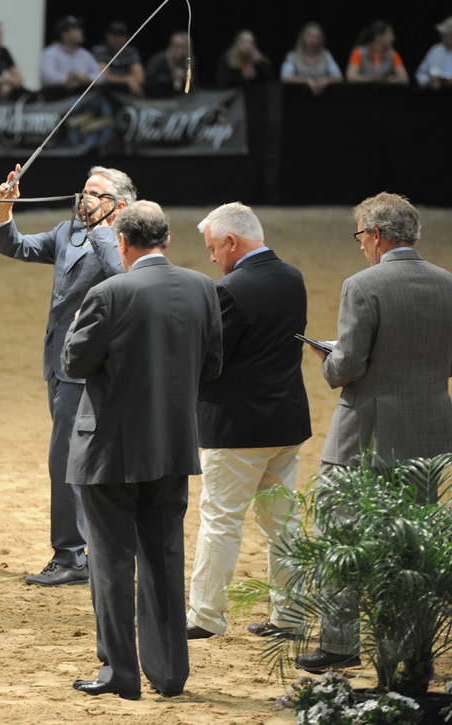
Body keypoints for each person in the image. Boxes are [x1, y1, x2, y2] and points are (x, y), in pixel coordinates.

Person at [64, 201, 222, 699]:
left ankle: (120, 674)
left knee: (112, 564)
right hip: (172, 446)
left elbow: (75, 361)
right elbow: (212, 365)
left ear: (123, 244)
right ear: (167, 240)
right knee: (165, 559)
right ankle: (170, 672)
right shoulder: (203, 288)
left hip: (109, 451)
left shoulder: (108, 293)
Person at [294, 192, 452, 673]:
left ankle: (340, 644)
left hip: (364, 436)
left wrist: (328, 357)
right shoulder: (448, 283)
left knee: (340, 536)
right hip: (429, 434)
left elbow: (348, 367)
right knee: (409, 545)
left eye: (362, 235)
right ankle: (409, 646)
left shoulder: (362, 286)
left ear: (378, 235)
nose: (361, 245)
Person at [0, 164, 133, 587]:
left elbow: (122, 276)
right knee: (68, 461)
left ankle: (71, 555)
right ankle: (82, 552)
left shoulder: (125, 240)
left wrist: (104, 230)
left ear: (119, 206)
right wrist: (4, 212)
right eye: (84, 191)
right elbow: (16, 247)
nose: (84, 199)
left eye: (95, 194)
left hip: (92, 368)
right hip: (58, 363)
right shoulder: (67, 232)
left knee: (67, 463)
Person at [185, 203, 311, 641]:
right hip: (285, 422)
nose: (213, 258)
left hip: (237, 428)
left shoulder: (230, 289)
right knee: (284, 524)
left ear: (232, 242)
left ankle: (205, 616)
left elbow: (209, 359)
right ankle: (292, 616)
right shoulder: (293, 278)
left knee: (220, 520)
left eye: (214, 249)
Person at [40, 16, 104, 90]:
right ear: (65, 34)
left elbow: (101, 77)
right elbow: (48, 78)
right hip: (58, 97)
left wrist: (86, 79)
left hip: (84, 95)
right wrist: (70, 77)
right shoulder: (50, 53)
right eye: (75, 29)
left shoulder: (84, 53)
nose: (81, 31)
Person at [280, 22, 343, 95]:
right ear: (303, 38)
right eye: (311, 37)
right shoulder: (293, 56)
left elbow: (338, 77)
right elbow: (285, 77)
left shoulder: (326, 55)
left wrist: (326, 80)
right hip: (298, 96)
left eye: (317, 38)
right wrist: (306, 81)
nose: (314, 40)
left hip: (323, 96)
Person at [346, 21, 409, 85]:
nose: (392, 38)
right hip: (363, 91)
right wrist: (372, 79)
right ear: (379, 36)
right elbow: (351, 77)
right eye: (389, 34)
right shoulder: (359, 52)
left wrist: (386, 79)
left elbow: (404, 78)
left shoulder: (393, 54)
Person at [91, 21, 144, 96]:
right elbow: (104, 77)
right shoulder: (99, 51)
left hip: (127, 92)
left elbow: (139, 77)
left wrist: (129, 81)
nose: (117, 39)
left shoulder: (131, 51)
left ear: (127, 38)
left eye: (121, 36)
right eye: (114, 36)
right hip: (105, 92)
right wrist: (128, 79)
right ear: (107, 36)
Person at [145, 31, 195, 96]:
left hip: (180, 99)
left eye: (180, 46)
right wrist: (172, 77)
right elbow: (148, 81)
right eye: (174, 45)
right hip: (158, 97)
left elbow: (193, 83)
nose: (176, 49)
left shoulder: (189, 61)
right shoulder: (160, 59)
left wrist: (185, 78)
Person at [415, 16, 452, 88]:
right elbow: (420, 74)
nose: (442, 37)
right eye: (442, 34)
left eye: (446, 34)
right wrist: (427, 81)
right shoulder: (435, 50)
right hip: (433, 94)